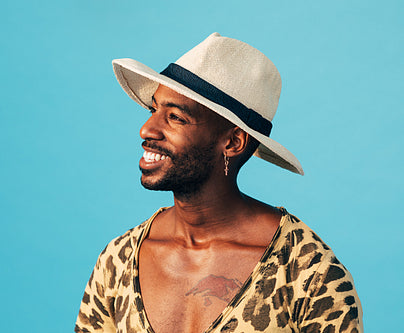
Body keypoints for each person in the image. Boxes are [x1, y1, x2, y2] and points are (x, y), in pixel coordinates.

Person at [75, 33, 363, 332]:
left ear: (233, 142)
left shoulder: (305, 270)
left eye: (175, 117)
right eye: (153, 109)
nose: (147, 129)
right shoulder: (119, 260)